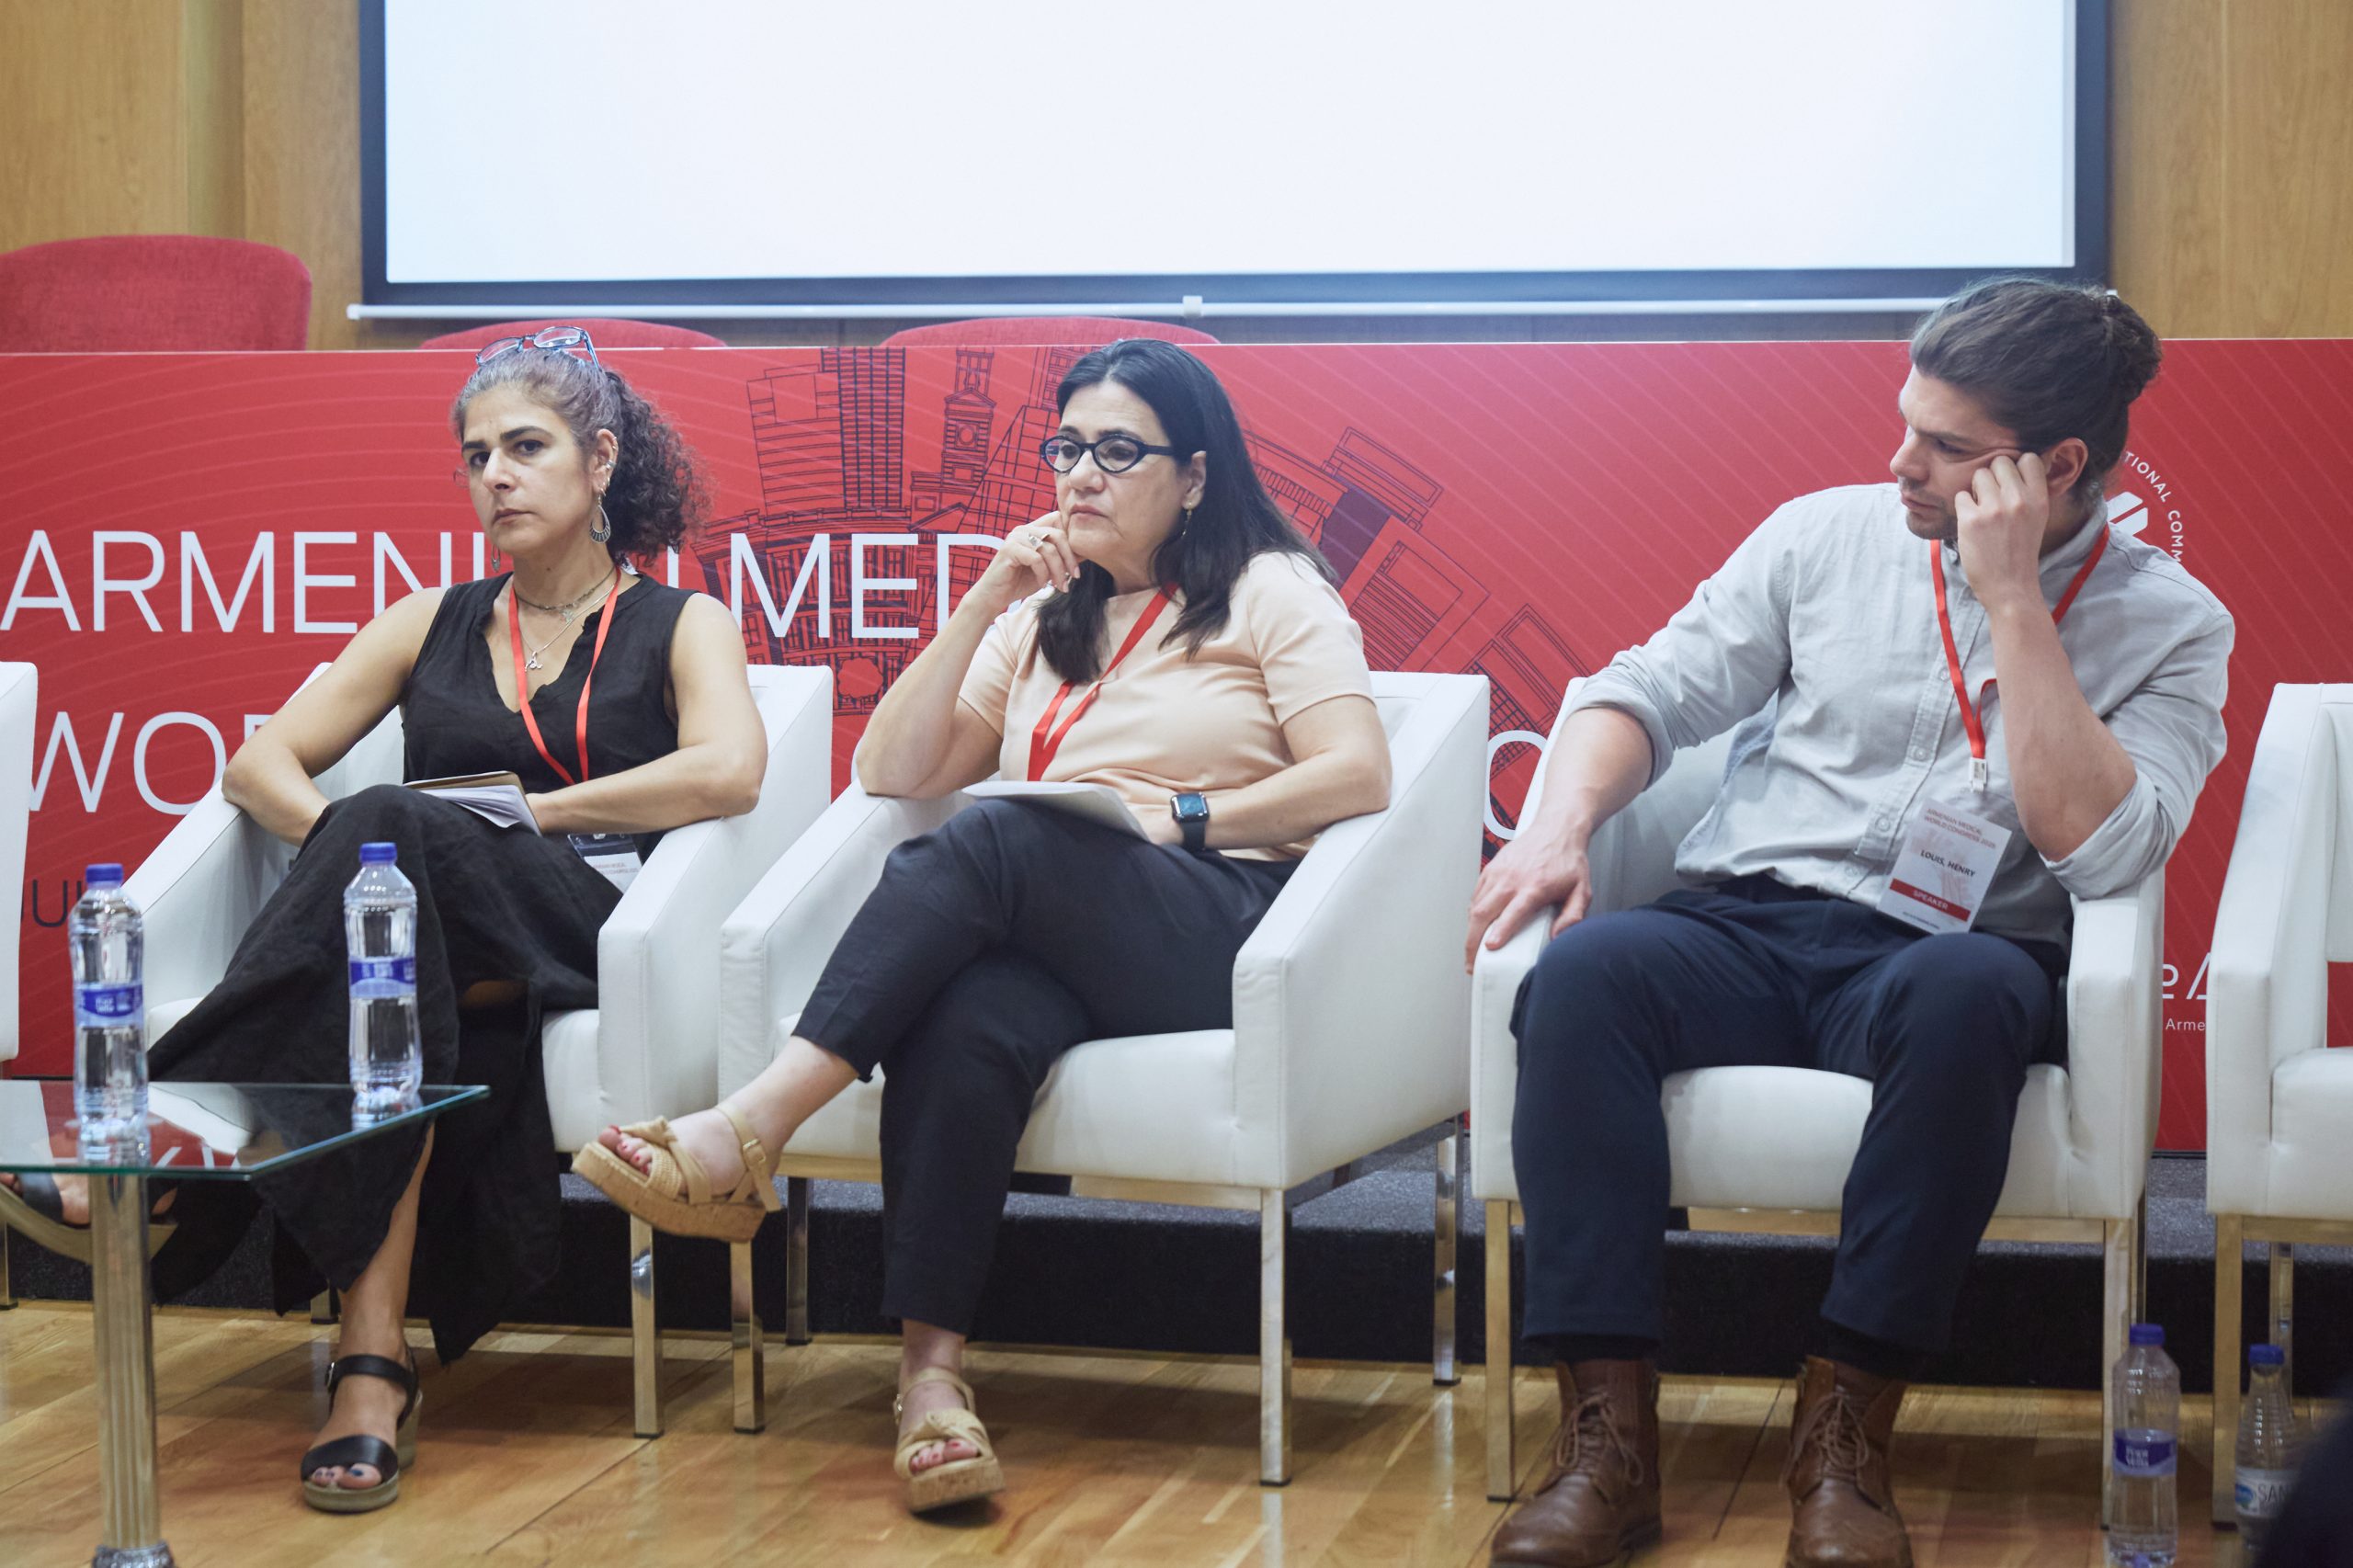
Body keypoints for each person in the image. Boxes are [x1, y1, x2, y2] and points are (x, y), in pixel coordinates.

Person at [1467, 279, 2234, 1568]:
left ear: (2055, 468)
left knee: (1969, 997)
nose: (1901, 464)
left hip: (1947, 956)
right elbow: (1641, 690)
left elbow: (2103, 847)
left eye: (1945, 445)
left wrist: (2014, 602)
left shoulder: (2173, 625)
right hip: (1751, 918)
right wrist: (1559, 823)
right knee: (1587, 973)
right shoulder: (1821, 536)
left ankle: (1843, 1440)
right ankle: (1606, 1444)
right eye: (1906, 424)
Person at [576, 336, 1390, 1514]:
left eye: (1119, 451)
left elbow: (1357, 771)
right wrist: (982, 603)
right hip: (1063, 925)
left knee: (1002, 831)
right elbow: (892, 768)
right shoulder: (1044, 617)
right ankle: (931, 1383)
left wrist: (1184, 817)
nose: (1081, 474)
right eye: (1067, 447)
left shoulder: (1271, 588)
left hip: (1223, 916)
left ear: (1195, 475)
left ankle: (750, 1124)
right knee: (964, 1015)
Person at [5, 326, 765, 1515]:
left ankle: (182, 1150)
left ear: (602, 459)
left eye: (526, 447)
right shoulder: (429, 618)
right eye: (476, 457)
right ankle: (370, 1367)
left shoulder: (681, 618)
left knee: (396, 832)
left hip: (592, 916)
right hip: (427, 938)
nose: (496, 476)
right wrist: (355, 858)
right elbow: (258, 765)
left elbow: (728, 769)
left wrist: (524, 815)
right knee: (389, 972)